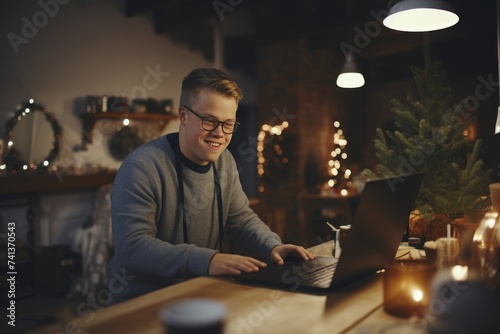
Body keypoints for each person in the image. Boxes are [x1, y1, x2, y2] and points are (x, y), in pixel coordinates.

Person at [107, 67, 315, 303]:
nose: (219, 133)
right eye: (209, 121)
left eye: (228, 124)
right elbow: (132, 248)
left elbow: (242, 219)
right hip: (142, 303)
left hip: (199, 292)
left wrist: (272, 246)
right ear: (183, 116)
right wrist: (207, 260)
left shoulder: (225, 162)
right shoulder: (141, 167)